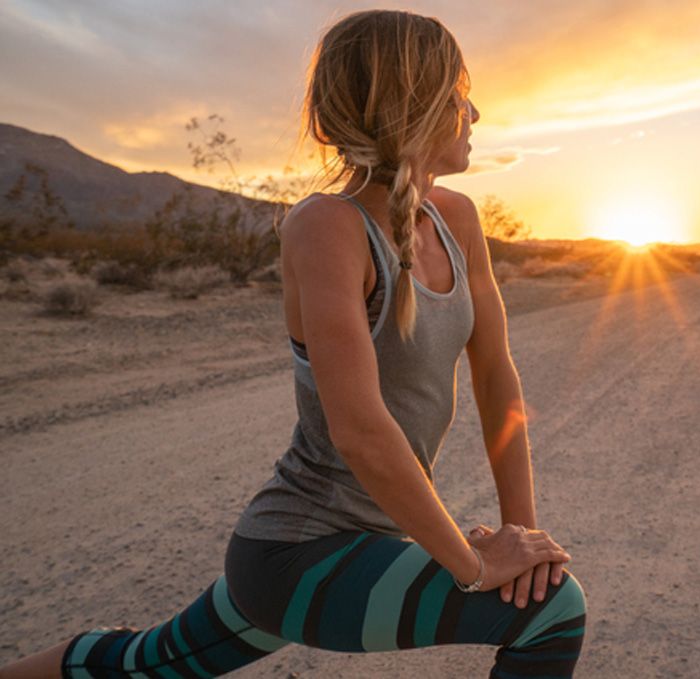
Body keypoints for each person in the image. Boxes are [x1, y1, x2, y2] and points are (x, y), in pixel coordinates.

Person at [1, 9, 586, 679]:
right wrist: (477, 565)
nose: (474, 112)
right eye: (457, 92)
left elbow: (496, 377)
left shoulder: (456, 217)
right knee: (553, 611)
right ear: (410, 104)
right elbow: (360, 430)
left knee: (149, 662)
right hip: (298, 553)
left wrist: (522, 536)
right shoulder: (327, 226)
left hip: (344, 545)